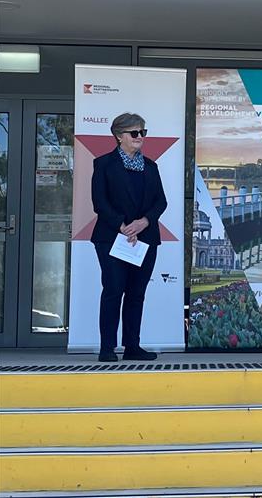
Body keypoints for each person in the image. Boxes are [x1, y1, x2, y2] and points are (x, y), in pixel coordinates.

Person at [91, 113, 167, 362]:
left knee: (137, 293)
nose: (140, 137)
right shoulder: (103, 164)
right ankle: (107, 347)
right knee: (113, 290)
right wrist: (124, 227)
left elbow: (161, 202)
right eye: (134, 133)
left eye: (142, 132)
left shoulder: (151, 167)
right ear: (119, 136)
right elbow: (99, 203)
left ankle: (132, 346)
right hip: (112, 237)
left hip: (145, 238)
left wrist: (143, 222)